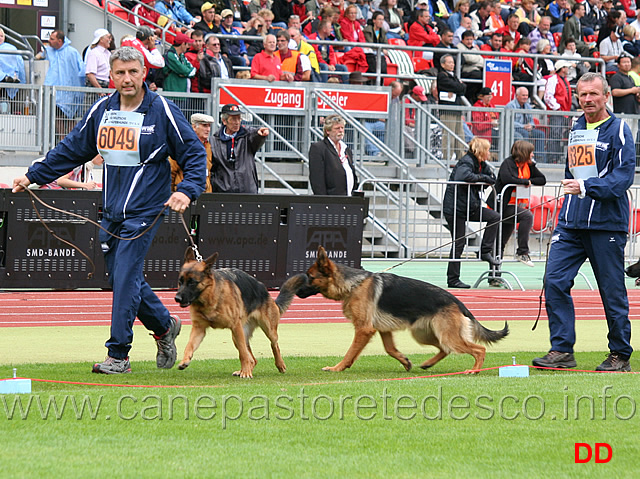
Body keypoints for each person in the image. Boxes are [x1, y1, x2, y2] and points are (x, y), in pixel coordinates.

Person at [12, 46, 207, 374]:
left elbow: (193, 153)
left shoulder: (162, 110)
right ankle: (163, 326)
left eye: (133, 72)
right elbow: (72, 149)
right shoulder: (102, 110)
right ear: (111, 76)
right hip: (112, 210)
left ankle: (118, 355)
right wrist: (33, 175)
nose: (127, 79)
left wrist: (187, 191)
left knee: (126, 274)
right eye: (120, 73)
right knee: (122, 276)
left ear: (144, 73)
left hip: (146, 209)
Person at [532, 73, 635, 372]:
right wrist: (569, 200)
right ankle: (561, 349)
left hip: (606, 224)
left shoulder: (620, 130)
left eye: (593, 94)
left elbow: (622, 178)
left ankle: (620, 354)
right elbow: (574, 173)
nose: (587, 99)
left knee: (611, 290)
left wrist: (587, 188)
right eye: (582, 95)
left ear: (606, 96)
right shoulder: (576, 128)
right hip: (571, 222)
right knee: (554, 280)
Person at [442, 137, 501, 289]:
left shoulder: (481, 164)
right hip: (455, 208)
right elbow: (463, 176)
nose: (489, 153)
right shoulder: (467, 161)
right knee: (459, 242)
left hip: (470, 207)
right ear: (480, 151)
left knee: (494, 217)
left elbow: (493, 178)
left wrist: (485, 178)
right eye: (487, 150)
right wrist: (483, 179)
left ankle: (485, 251)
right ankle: (453, 279)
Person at [494, 140, 546, 267]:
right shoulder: (508, 163)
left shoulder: (529, 165)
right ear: (524, 153)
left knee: (500, 242)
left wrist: (528, 180)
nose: (533, 155)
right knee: (527, 216)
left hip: (514, 207)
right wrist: (524, 181)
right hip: (501, 206)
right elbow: (507, 179)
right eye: (531, 152)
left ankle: (495, 275)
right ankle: (522, 252)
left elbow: (542, 180)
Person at [210, 103, 269, 193]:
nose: (237, 122)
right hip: (222, 191)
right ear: (224, 121)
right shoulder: (214, 140)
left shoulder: (247, 135)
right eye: (233, 119)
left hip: (247, 190)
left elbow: (255, 134)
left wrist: (260, 134)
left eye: (239, 118)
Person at [40, 30, 85, 134]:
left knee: (70, 118)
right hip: (55, 92)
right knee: (58, 117)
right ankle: (62, 139)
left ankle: (72, 140)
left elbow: (79, 70)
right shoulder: (49, 51)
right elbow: (40, 56)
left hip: (70, 91)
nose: (49, 41)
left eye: (52, 39)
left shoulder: (72, 52)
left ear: (59, 41)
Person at [309, 114, 358, 196]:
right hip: (330, 202)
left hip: (349, 200)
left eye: (342, 128)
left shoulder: (347, 150)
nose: (341, 131)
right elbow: (317, 181)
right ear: (327, 131)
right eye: (337, 128)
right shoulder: (318, 148)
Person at [170, 113, 214, 192]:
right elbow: (171, 172)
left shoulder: (208, 146)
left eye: (209, 126)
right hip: (184, 194)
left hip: (205, 193)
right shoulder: (182, 146)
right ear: (194, 127)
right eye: (204, 126)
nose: (208, 129)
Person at [437, 54, 466, 161]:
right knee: (449, 136)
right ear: (443, 64)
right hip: (448, 110)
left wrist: (458, 86)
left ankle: (461, 158)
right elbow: (458, 86)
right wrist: (458, 86)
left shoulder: (453, 76)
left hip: (457, 110)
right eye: (449, 62)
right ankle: (447, 158)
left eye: (453, 62)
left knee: (460, 136)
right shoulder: (442, 75)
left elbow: (463, 88)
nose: (452, 64)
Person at [505, 87, 546, 160]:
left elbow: (531, 120)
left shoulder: (527, 106)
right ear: (517, 96)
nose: (525, 97)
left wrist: (531, 126)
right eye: (523, 95)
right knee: (524, 133)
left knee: (540, 134)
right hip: (514, 130)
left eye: (527, 95)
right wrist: (523, 126)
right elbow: (509, 122)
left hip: (526, 129)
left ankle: (540, 158)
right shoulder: (510, 105)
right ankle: (526, 156)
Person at [544, 60, 573, 164]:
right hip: (557, 113)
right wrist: (557, 107)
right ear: (562, 68)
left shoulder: (565, 80)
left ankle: (557, 156)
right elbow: (548, 96)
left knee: (560, 135)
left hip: (564, 112)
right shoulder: (553, 80)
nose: (568, 69)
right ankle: (552, 158)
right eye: (566, 67)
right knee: (555, 135)